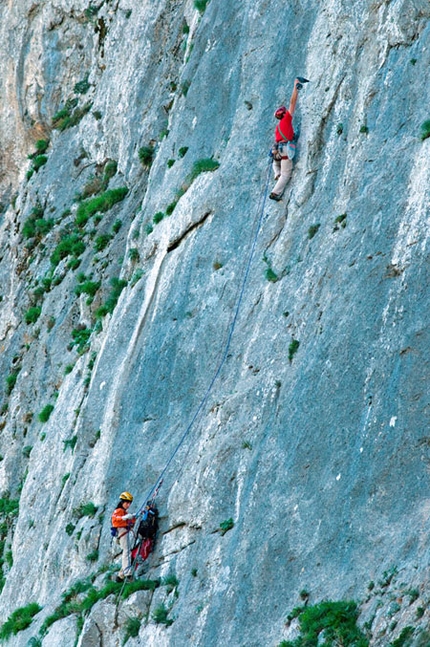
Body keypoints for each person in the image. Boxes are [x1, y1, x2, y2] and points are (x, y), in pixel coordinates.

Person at [269, 78, 302, 201]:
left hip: (279, 150)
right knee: (286, 174)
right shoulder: (286, 119)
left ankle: (276, 172)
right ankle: (275, 192)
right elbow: (292, 102)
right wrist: (295, 88)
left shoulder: (277, 128)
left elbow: (276, 141)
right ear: (284, 114)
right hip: (286, 149)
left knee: (276, 163)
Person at [111, 491, 136, 582]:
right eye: (127, 503)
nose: (128, 505)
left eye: (129, 503)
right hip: (121, 532)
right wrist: (124, 518)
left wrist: (132, 517)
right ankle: (127, 572)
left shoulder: (124, 512)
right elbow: (114, 519)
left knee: (127, 551)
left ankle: (120, 575)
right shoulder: (118, 511)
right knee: (127, 551)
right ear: (122, 502)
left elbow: (130, 522)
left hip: (123, 532)